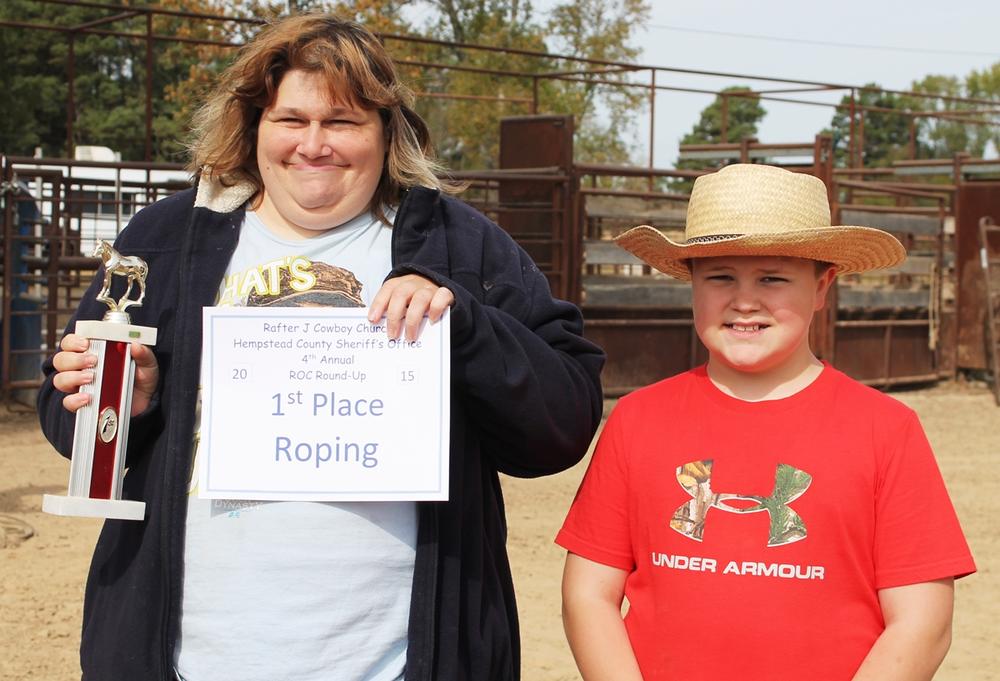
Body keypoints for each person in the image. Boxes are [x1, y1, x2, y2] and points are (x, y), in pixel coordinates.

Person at [37, 14, 604, 681]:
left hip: (397, 661)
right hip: (195, 656)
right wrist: (132, 398)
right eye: (291, 120)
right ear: (253, 125)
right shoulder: (165, 238)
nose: (314, 144)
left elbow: (563, 421)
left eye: (342, 121)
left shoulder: (459, 243)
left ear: (385, 132)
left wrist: (467, 325)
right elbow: (67, 418)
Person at [556, 163, 975, 680]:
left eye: (772, 277)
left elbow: (923, 621)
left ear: (823, 286)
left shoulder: (886, 429)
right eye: (720, 276)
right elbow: (588, 593)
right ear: (691, 284)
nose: (745, 300)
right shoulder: (637, 419)